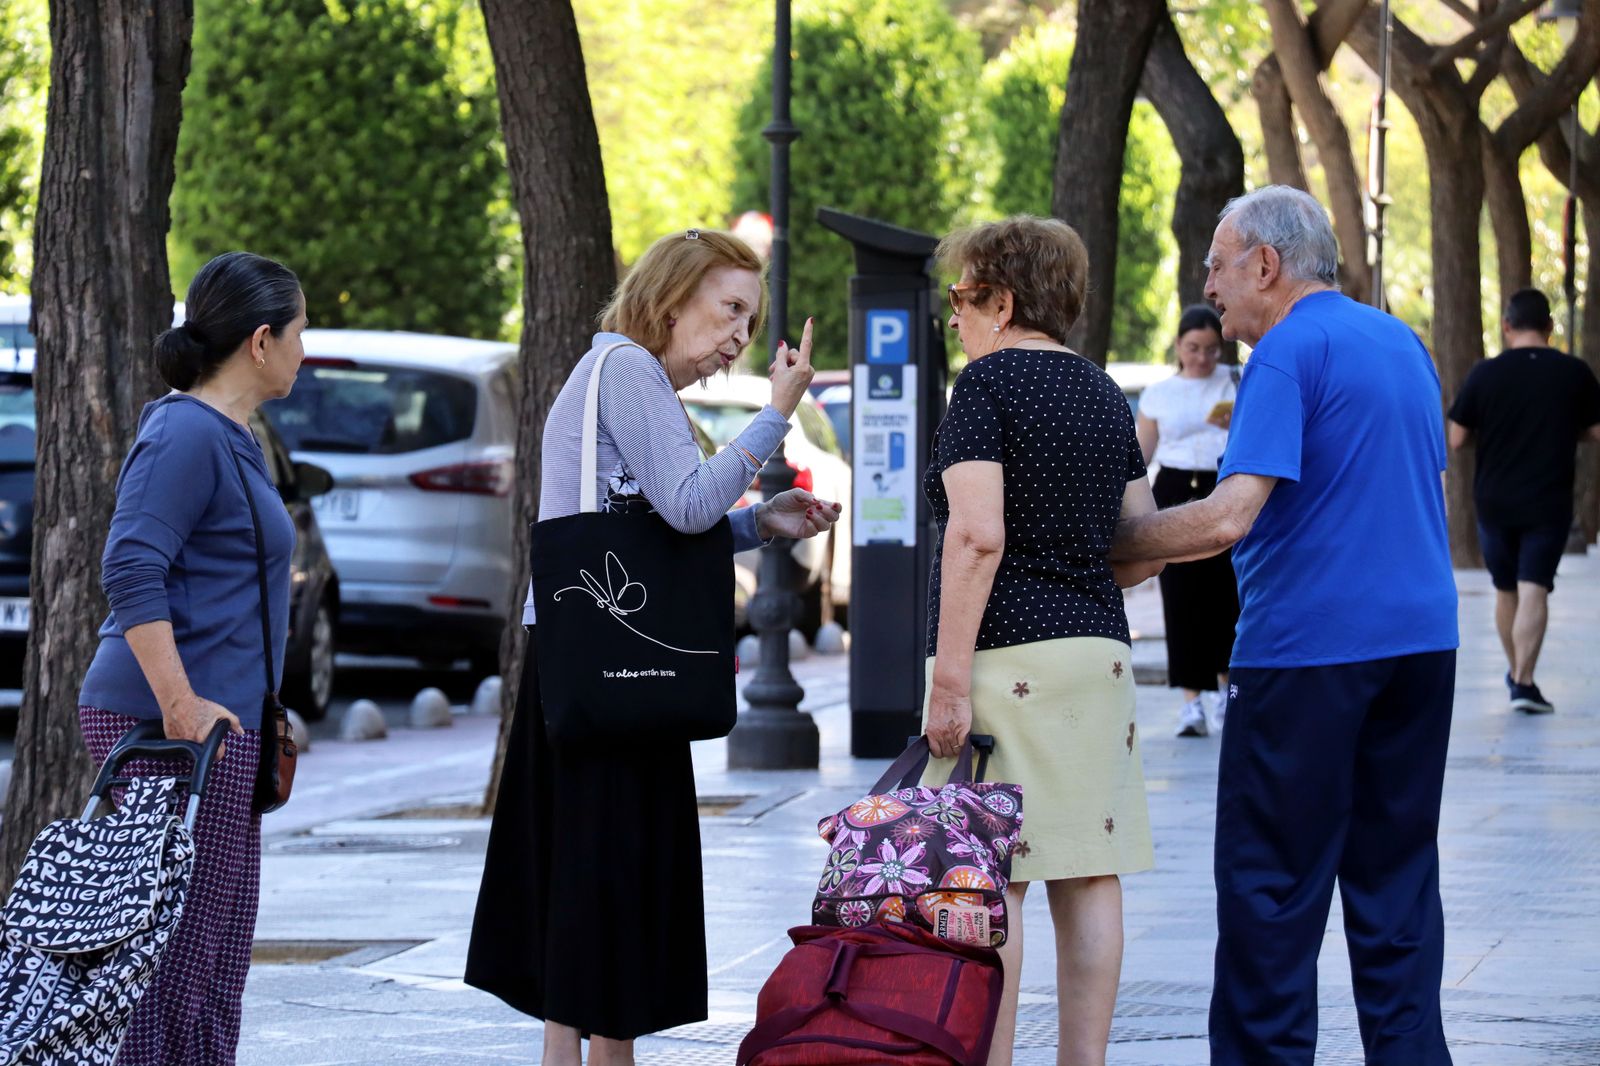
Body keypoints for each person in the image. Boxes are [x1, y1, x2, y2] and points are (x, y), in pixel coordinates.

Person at [465, 228, 841, 1066]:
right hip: (615, 670)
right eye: (730, 309)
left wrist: (761, 523)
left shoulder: (620, 374)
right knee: (613, 887)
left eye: (750, 319)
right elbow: (685, 506)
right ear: (672, 298)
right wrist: (776, 414)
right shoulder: (629, 369)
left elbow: (650, 530)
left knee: (586, 889)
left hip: (589, 662)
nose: (740, 335)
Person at [1110, 186, 1459, 1065]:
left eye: (1217, 266)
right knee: (1397, 881)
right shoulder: (1403, 343)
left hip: (1309, 652)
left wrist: (1104, 546)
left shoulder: (1285, 353)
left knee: (1271, 888)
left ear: (1265, 264)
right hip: (1422, 646)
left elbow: (1229, 517)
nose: (1209, 287)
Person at [920, 215, 1163, 1066]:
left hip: (1004, 655)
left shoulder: (985, 387)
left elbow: (975, 536)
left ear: (1003, 300)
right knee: (1089, 869)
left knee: (994, 873)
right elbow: (1139, 549)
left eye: (963, 296)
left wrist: (949, 681)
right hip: (1097, 655)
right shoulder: (1105, 392)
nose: (955, 315)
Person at [77, 251, 307, 1064]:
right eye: (299, 331)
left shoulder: (234, 435)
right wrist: (180, 705)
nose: (305, 349)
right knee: (169, 969)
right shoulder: (183, 432)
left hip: (217, 735)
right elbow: (130, 564)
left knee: (210, 963)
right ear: (260, 341)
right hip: (167, 730)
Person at [1446, 288, 1600, 715]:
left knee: (1505, 587)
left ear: (1507, 326)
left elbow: (1456, 438)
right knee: (1535, 586)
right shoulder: (1573, 372)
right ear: (1550, 326)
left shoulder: (1485, 373)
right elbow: (1596, 429)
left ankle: (1517, 676)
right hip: (1548, 498)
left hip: (1493, 498)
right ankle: (1524, 680)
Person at [1134, 304, 1240, 737]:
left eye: (1211, 349)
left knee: (1228, 593)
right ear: (1178, 346)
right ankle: (1191, 701)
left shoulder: (1236, 381)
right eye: (1194, 348)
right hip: (1175, 487)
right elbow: (1143, 454)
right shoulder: (1159, 393)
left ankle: (1227, 691)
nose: (1202, 358)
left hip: (1223, 484)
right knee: (1181, 596)